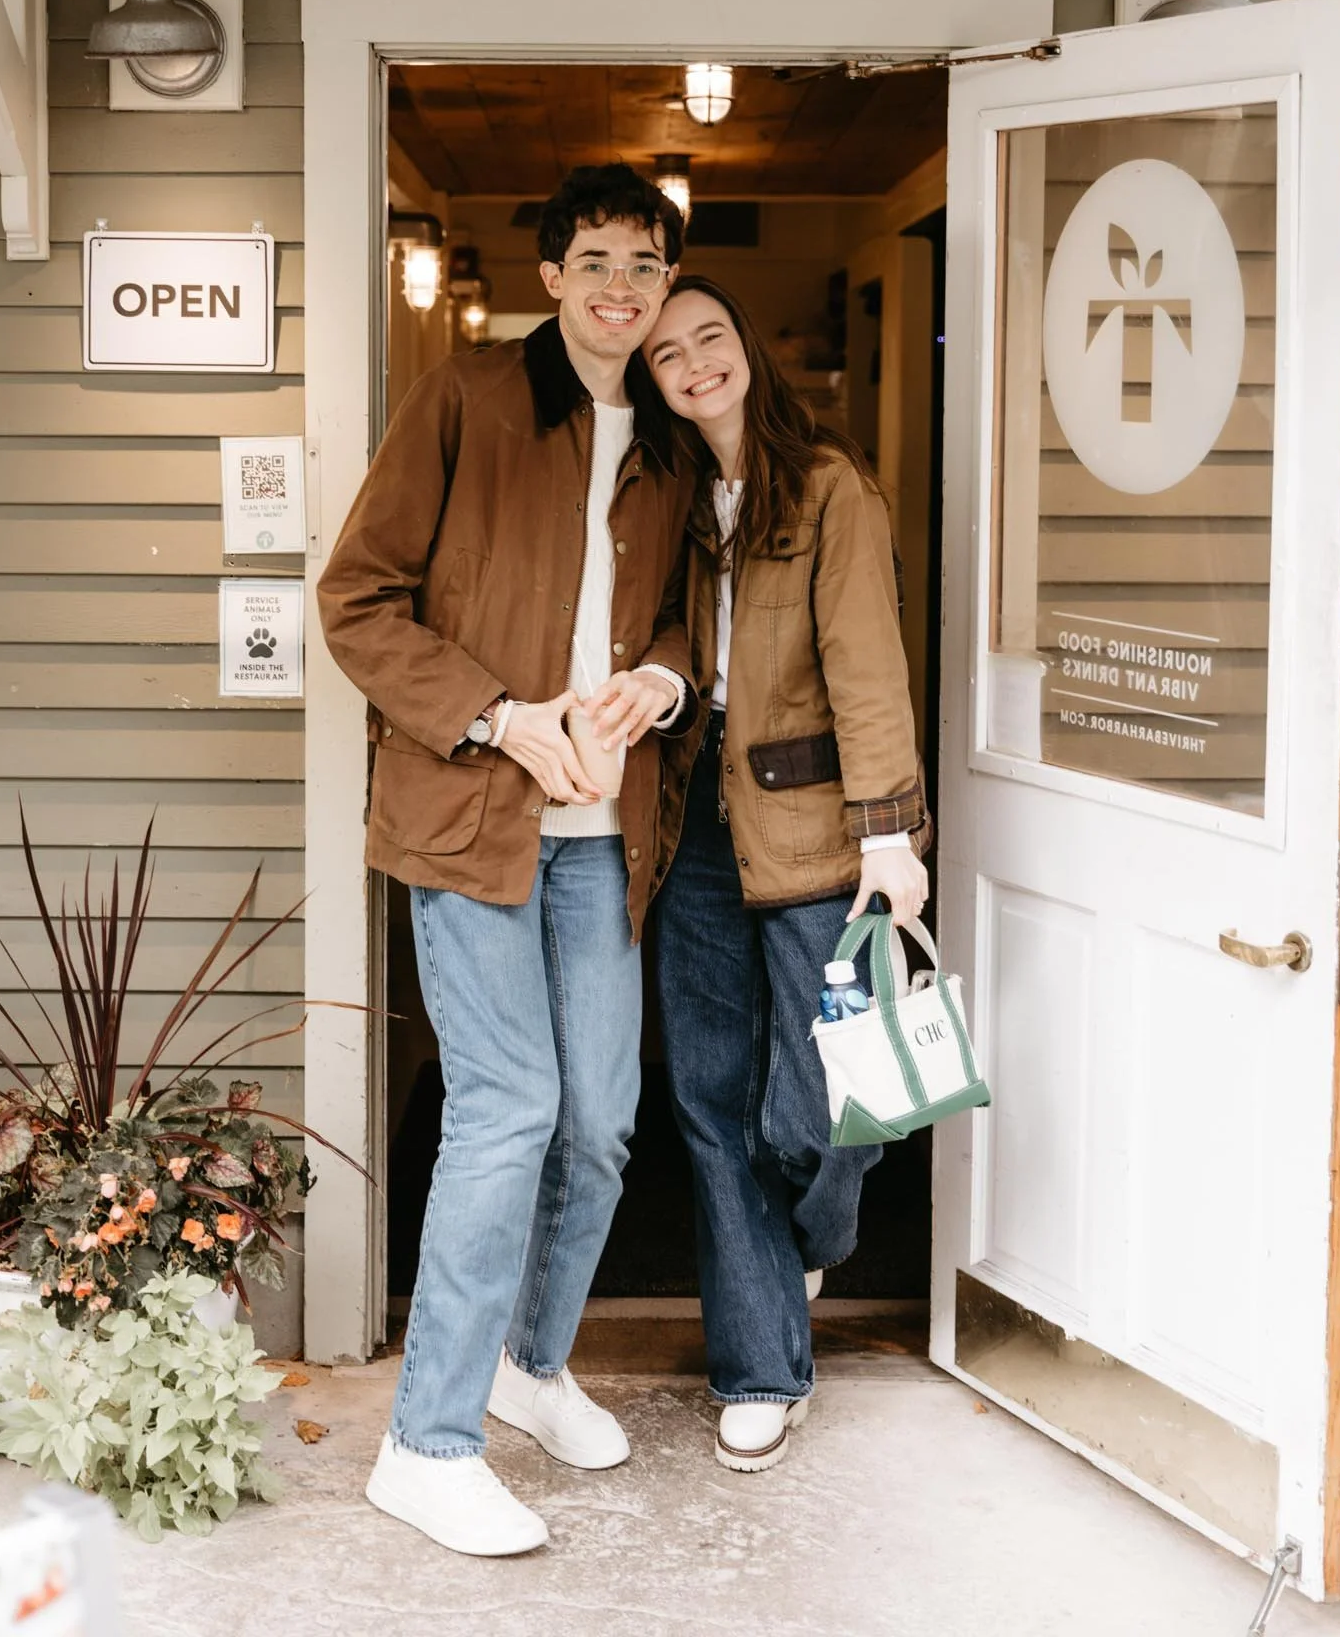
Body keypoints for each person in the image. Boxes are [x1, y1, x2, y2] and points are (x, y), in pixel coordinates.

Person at [318, 164, 694, 1557]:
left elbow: (680, 617)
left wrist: (657, 685)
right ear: (550, 276)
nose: (619, 288)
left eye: (644, 266)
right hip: (469, 815)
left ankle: (528, 1364)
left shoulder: (667, 437)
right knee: (507, 1106)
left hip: (601, 833)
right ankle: (425, 1443)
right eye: (595, 261)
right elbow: (356, 599)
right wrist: (500, 717)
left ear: (665, 282)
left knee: (599, 1119)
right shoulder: (468, 398)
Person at [644, 275, 931, 1473]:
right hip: (692, 830)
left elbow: (866, 666)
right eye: (667, 352)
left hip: (818, 824)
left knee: (828, 1106)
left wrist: (889, 832)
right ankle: (762, 1365)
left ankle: (813, 1238)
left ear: (747, 346)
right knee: (710, 1098)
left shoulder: (826, 486)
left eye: (710, 335)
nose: (694, 362)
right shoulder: (659, 495)